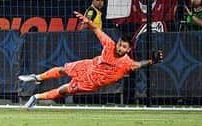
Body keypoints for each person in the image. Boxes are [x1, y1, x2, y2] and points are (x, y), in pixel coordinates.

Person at [18, 11, 157, 109]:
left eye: (123, 47)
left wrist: (151, 61)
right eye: (120, 44)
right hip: (88, 65)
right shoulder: (110, 44)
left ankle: (36, 97)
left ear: (128, 50)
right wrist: (88, 22)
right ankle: (37, 77)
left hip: (90, 82)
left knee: (63, 90)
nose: (119, 47)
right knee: (62, 69)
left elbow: (138, 65)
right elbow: (97, 29)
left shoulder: (127, 63)